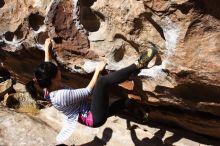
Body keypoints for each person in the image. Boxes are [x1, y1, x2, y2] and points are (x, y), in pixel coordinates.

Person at [30, 38, 157, 144]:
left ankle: (142, 114)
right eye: (56, 71)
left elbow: (47, 68)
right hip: (94, 117)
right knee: (102, 82)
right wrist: (97, 71)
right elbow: (87, 91)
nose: (58, 70)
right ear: (52, 79)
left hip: (89, 109)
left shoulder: (46, 84)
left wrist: (47, 49)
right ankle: (138, 64)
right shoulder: (60, 96)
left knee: (125, 103)